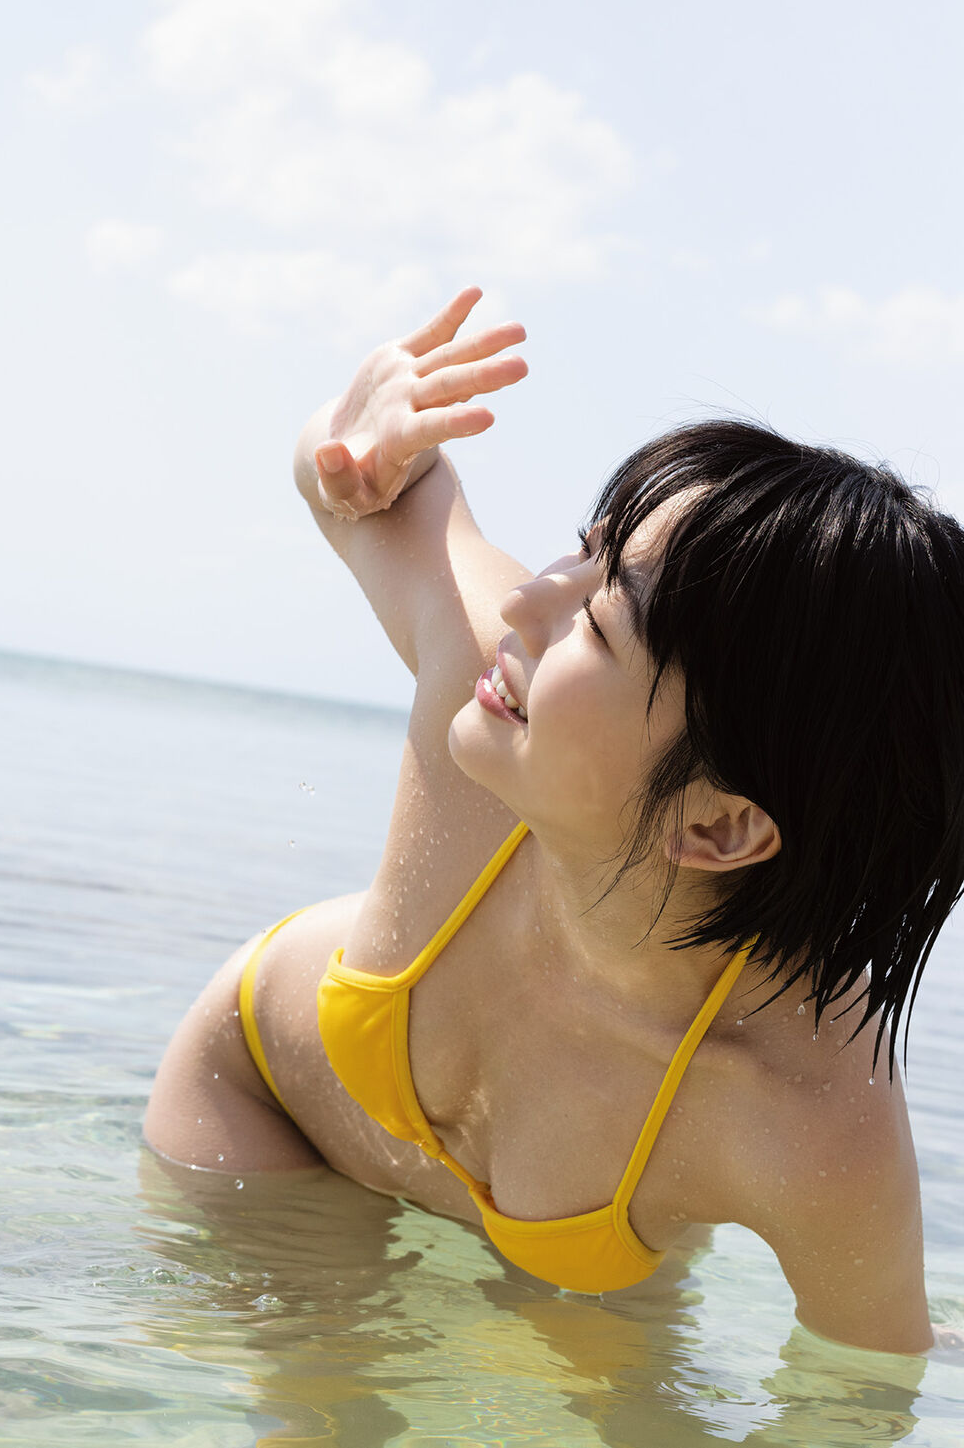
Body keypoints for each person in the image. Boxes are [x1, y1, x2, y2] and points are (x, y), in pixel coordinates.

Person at [145, 287, 964, 1356]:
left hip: (551, 1254)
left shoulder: (800, 1112)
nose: (532, 599)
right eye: (584, 547)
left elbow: (865, 1389)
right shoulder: (483, 662)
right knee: (323, 1405)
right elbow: (354, 487)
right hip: (264, 1104)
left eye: (600, 622)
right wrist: (346, 443)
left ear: (721, 827)